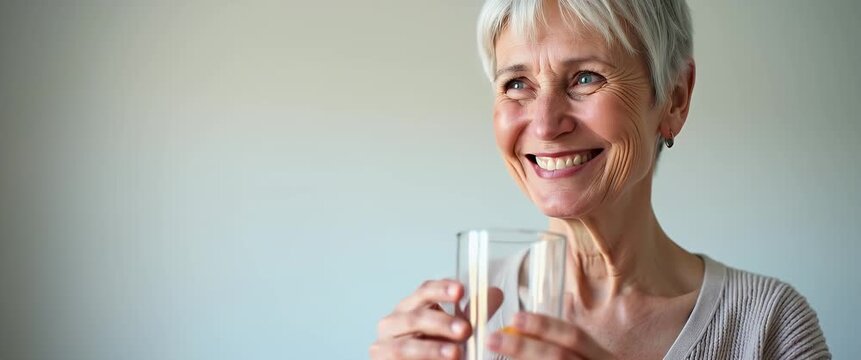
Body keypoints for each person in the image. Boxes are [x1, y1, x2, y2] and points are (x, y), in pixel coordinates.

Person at [369, 0, 830, 358]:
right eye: (516, 84)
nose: (546, 124)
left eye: (586, 78)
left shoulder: (768, 326)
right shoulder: (457, 319)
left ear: (674, 99)